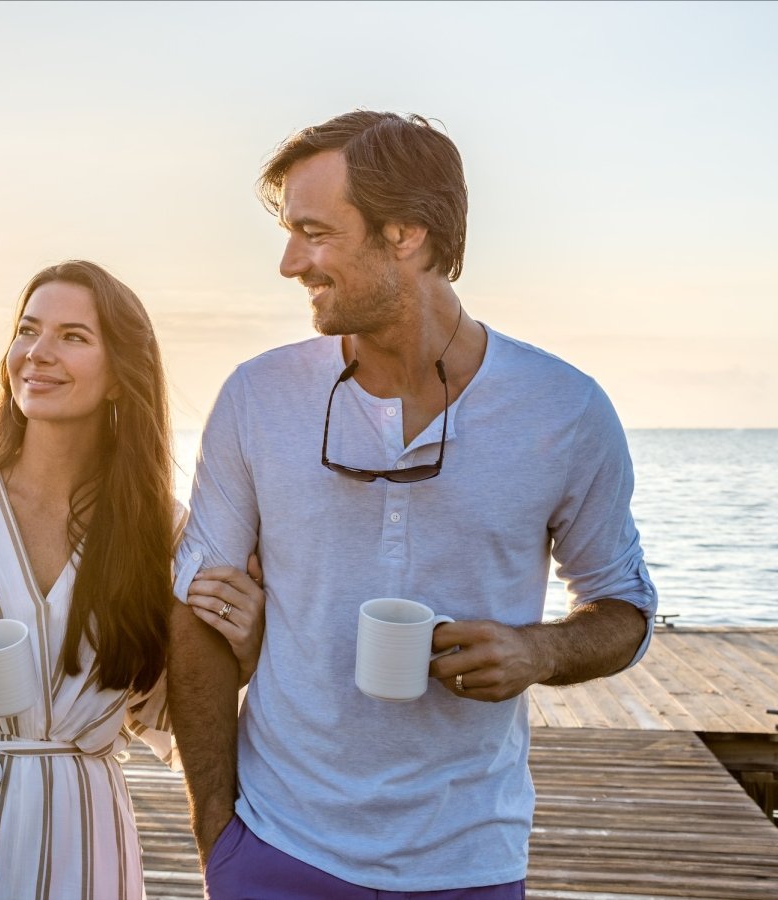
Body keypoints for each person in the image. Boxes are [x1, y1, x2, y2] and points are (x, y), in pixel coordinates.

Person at [168, 111, 658, 897]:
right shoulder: (256, 397)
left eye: (315, 232)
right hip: (274, 847)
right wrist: (217, 836)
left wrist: (538, 652)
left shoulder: (564, 411)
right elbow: (194, 612)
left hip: (468, 862)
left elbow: (626, 609)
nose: (292, 262)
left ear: (407, 235)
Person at [0, 259, 266, 899]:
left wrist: (244, 652)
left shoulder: (160, 530)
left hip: (79, 833)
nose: (38, 354)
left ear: (121, 377)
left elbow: (160, 707)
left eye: (73, 336)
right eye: (27, 330)